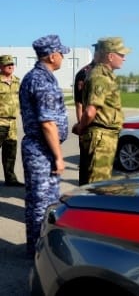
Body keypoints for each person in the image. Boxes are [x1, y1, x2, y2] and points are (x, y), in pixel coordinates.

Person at [19, 34, 70, 258]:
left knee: (35, 201)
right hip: (42, 149)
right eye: (61, 54)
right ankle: (41, 253)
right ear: (52, 56)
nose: (63, 58)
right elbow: (48, 123)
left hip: (37, 147)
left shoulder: (35, 77)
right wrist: (58, 157)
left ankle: (34, 249)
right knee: (44, 202)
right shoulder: (42, 81)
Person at [72, 37, 131, 185]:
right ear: (110, 56)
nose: (124, 58)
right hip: (101, 138)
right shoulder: (100, 77)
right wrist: (80, 127)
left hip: (104, 136)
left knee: (94, 184)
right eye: (121, 55)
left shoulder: (104, 74)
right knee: (97, 187)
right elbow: (91, 111)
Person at [0, 54, 24, 187]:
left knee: (10, 152)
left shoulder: (17, 81)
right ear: (0, 66)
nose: (10, 66)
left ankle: (10, 178)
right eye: (7, 64)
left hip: (12, 123)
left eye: (12, 64)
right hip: (0, 121)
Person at [74, 43, 100, 123]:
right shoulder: (85, 73)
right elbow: (79, 103)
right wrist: (80, 126)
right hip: (91, 125)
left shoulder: (106, 73)